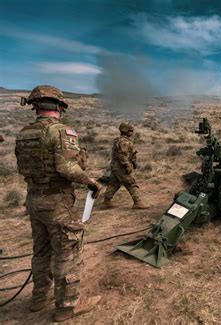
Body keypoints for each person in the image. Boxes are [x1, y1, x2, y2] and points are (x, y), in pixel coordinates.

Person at [15, 85, 102, 321]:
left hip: (34, 199)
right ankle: (66, 307)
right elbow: (67, 167)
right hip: (56, 203)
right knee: (68, 252)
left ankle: (38, 299)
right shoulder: (61, 132)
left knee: (41, 252)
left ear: (35, 106)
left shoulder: (24, 133)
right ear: (60, 107)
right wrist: (91, 181)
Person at [102, 122, 150, 209]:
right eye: (130, 131)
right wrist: (127, 165)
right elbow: (123, 155)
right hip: (121, 167)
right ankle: (137, 202)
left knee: (114, 184)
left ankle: (106, 201)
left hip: (115, 166)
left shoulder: (119, 140)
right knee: (131, 183)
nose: (132, 133)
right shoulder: (124, 141)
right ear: (125, 131)